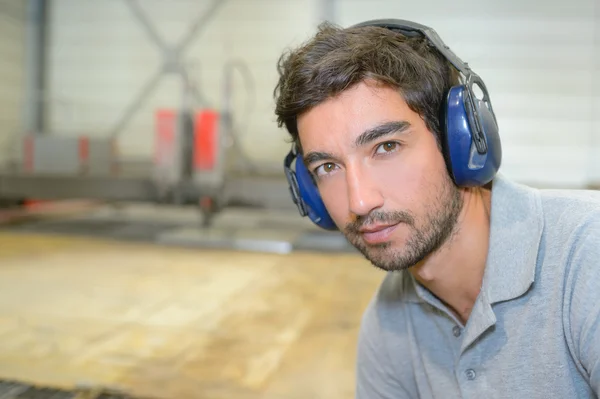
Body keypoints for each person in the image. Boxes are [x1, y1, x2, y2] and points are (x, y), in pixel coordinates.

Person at [273, 18, 600, 398]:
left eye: (386, 147)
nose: (360, 201)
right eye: (327, 167)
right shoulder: (387, 329)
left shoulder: (586, 259)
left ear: (459, 141)